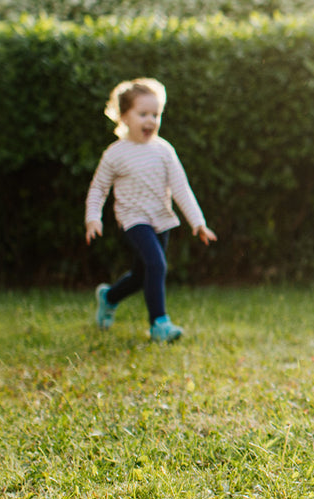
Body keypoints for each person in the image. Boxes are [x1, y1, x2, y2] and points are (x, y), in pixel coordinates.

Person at [84, 78, 217, 342]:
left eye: (156, 114)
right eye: (143, 114)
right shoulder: (115, 154)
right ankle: (159, 324)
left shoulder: (164, 150)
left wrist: (198, 222)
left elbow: (181, 187)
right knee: (157, 264)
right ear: (124, 117)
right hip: (133, 220)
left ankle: (109, 297)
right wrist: (92, 218)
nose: (151, 120)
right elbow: (99, 188)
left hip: (161, 219)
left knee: (140, 275)